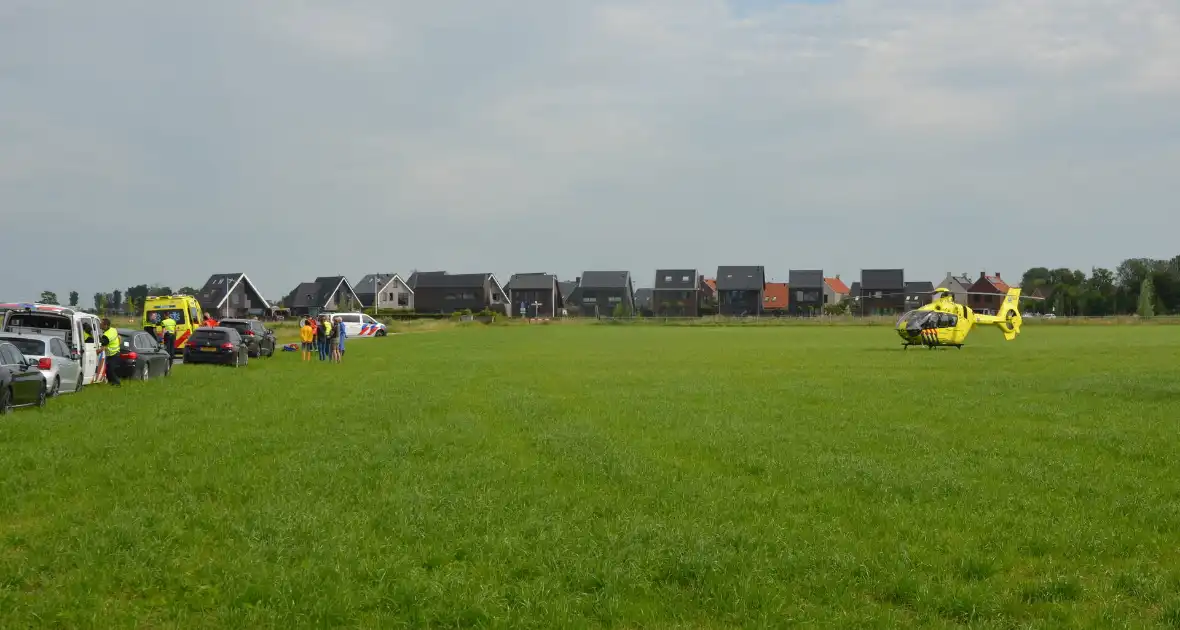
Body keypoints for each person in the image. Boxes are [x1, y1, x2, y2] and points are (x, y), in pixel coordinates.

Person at [100, 318, 122, 386]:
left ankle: (117, 383)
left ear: (105, 325)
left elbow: (102, 348)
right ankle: (112, 383)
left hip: (113, 354)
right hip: (115, 352)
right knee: (109, 369)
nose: (100, 324)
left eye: (101, 324)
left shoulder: (106, 336)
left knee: (111, 370)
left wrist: (95, 352)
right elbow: (119, 337)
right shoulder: (113, 329)